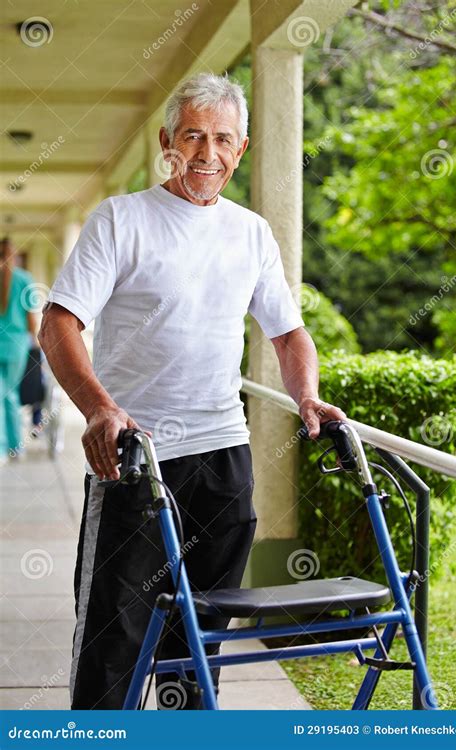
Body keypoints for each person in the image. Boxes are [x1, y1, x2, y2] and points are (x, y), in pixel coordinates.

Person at [39, 73, 346, 710]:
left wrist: (307, 397)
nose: (207, 153)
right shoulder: (122, 219)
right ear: (166, 142)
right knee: (114, 633)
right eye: (193, 136)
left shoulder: (252, 232)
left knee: (200, 633)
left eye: (223, 139)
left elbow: (289, 335)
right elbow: (59, 322)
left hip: (222, 456)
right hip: (135, 457)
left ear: (243, 149)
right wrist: (101, 408)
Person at [0, 237, 37, 461]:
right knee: (10, 395)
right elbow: (30, 317)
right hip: (16, 345)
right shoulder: (24, 279)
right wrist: (36, 340)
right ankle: (16, 447)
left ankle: (2, 447)